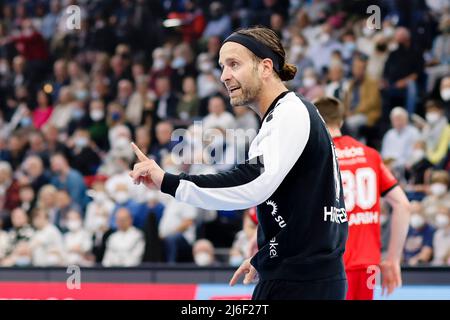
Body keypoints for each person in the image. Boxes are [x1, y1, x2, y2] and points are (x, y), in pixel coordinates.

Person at [130, 27, 348, 300]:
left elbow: (253, 183)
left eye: (234, 64)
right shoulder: (286, 115)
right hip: (300, 275)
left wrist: (170, 182)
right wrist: (265, 257)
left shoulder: (291, 112)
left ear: (266, 67)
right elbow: (304, 211)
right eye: (222, 67)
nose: (224, 76)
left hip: (302, 281)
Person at [314, 96, 411, 300]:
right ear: (341, 120)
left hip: (329, 264)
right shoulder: (370, 155)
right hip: (368, 264)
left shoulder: (316, 156)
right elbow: (402, 205)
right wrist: (392, 259)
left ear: (315, 121)